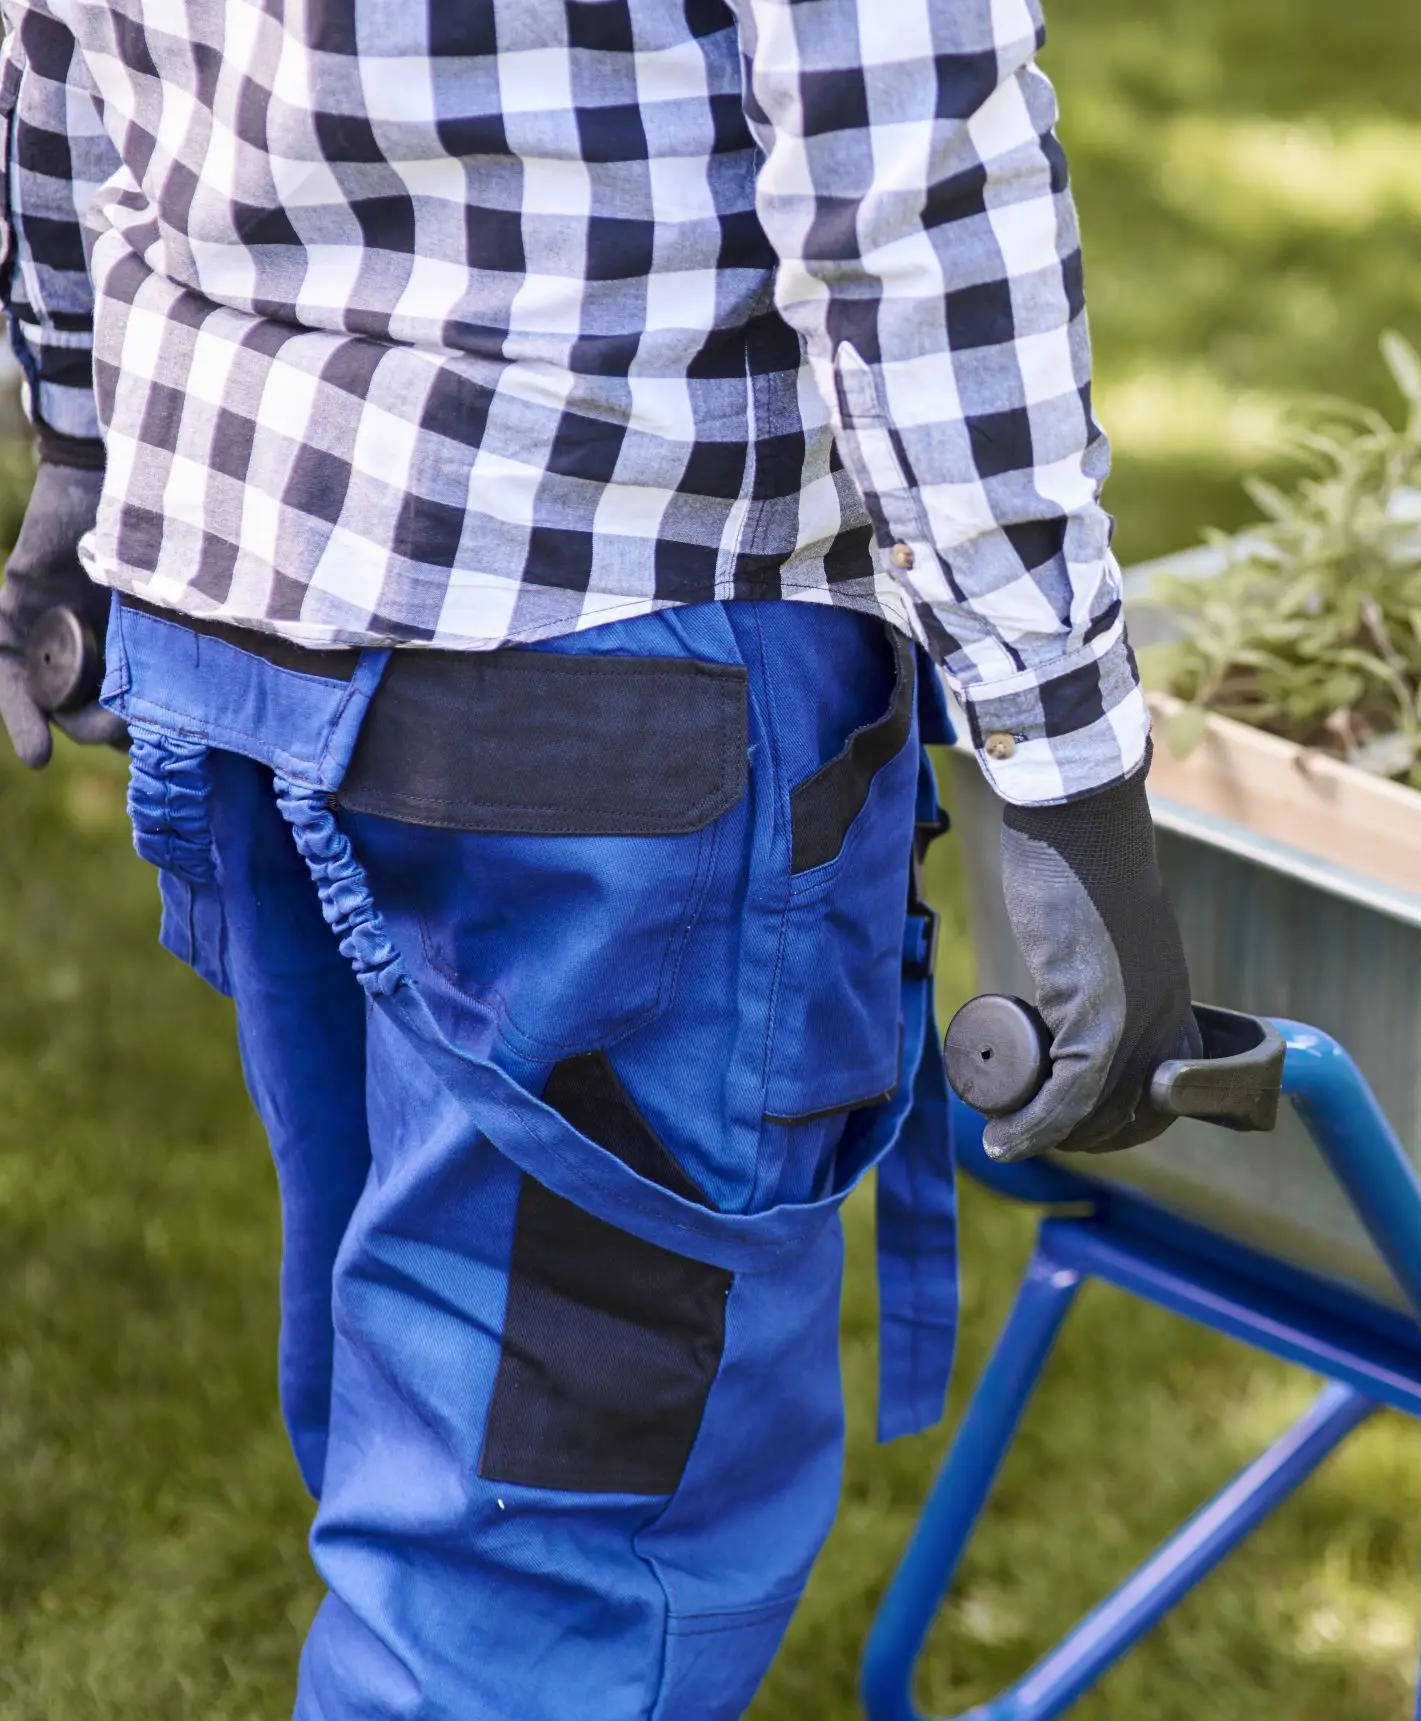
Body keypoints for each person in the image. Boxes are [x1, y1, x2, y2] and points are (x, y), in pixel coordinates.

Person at [0, 0, 1198, 1713]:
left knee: (448, 1436)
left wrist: (84, 439)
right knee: (550, 1564)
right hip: (611, 676)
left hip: (246, 592)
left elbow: (52, 41)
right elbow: (910, 165)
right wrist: (1072, 775)